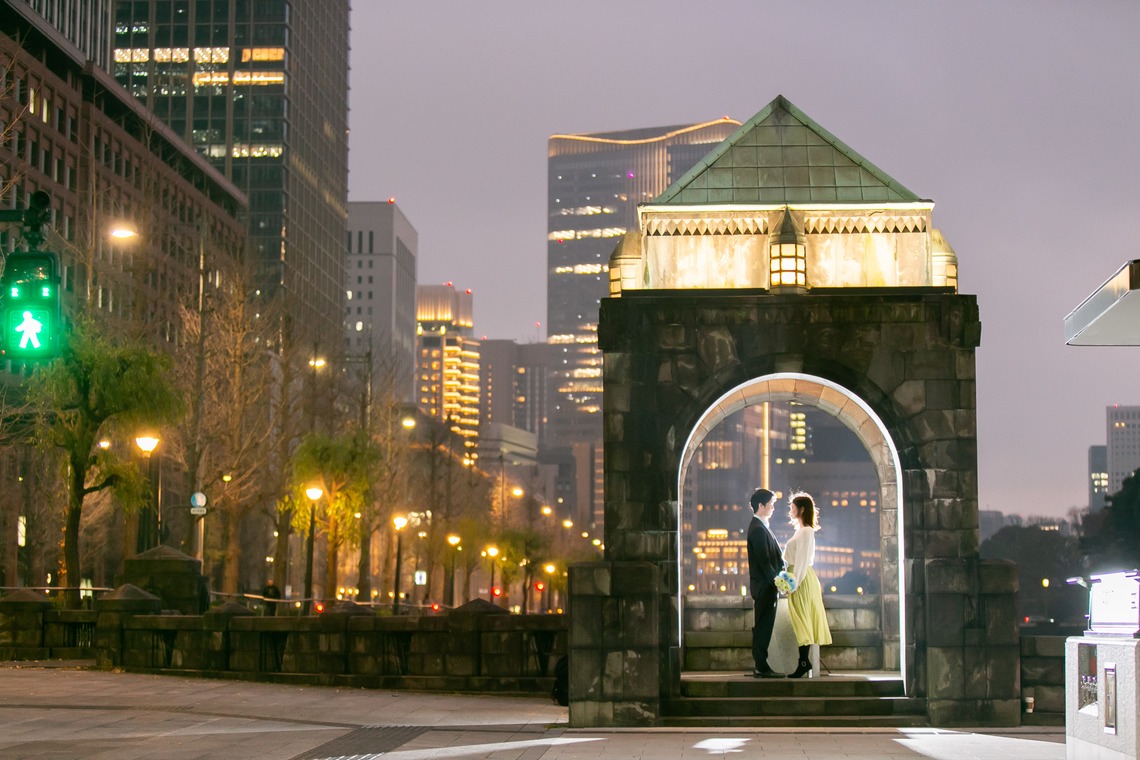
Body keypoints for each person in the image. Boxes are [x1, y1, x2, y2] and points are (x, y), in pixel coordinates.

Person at [783, 492, 832, 678]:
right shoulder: (802, 531)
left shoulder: (806, 532)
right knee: (801, 621)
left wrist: (793, 584)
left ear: (801, 509)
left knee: (802, 620)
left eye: (792, 507)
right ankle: (804, 662)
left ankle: (803, 662)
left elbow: (802, 562)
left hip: (801, 579)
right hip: (799, 577)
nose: (790, 510)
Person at [746, 487, 785, 678]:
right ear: (760, 505)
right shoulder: (758, 529)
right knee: (763, 627)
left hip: (766, 587)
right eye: (771, 504)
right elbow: (764, 562)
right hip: (765, 588)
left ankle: (761, 665)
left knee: (764, 626)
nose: (772, 508)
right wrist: (778, 582)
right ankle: (761, 666)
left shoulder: (761, 527)